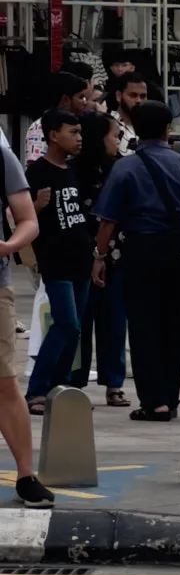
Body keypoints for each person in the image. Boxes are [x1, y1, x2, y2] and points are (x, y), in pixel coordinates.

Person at [89, 99, 180, 421]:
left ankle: (153, 401)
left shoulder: (124, 168)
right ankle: (170, 397)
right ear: (168, 130)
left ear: (136, 131)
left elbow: (108, 222)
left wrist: (100, 257)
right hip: (179, 253)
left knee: (143, 328)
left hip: (140, 252)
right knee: (175, 326)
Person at [23, 110, 92, 413]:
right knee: (65, 322)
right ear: (53, 135)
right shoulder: (37, 172)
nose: (79, 138)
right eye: (72, 132)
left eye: (80, 133)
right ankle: (37, 390)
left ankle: (61, 389)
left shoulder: (74, 170)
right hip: (55, 261)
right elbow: (20, 219)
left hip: (81, 260)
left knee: (74, 329)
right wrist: (37, 206)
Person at [0, 128, 53, 505]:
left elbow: (28, 219)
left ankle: (25, 474)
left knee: (4, 382)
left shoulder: (2, 157)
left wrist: (8, 247)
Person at [69, 112, 129, 408]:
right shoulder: (72, 171)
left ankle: (114, 383)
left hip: (116, 257)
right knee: (80, 323)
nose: (118, 141)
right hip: (81, 258)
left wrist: (104, 254)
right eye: (114, 135)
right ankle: (75, 383)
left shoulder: (120, 169)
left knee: (115, 324)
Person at [23, 72, 91, 163]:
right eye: (81, 97)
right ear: (65, 100)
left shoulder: (80, 123)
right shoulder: (39, 128)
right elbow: (36, 170)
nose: (85, 102)